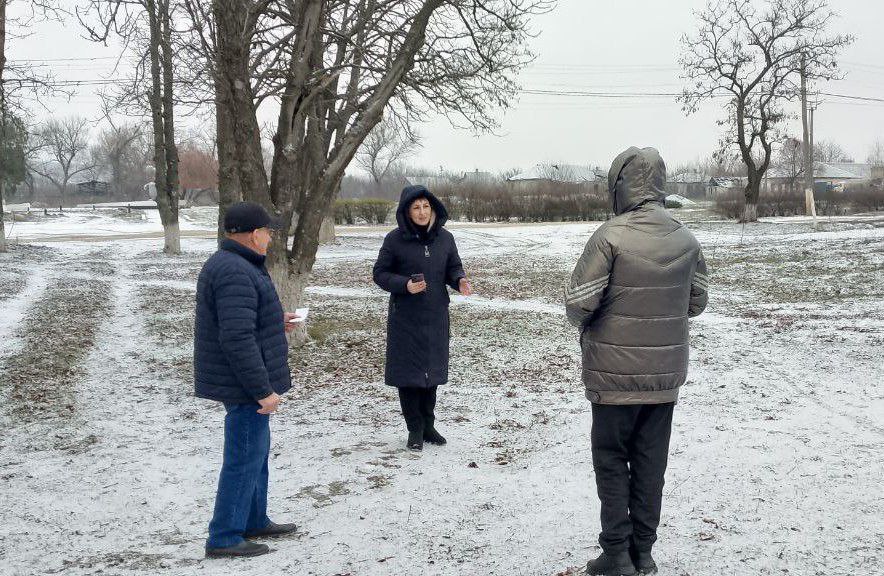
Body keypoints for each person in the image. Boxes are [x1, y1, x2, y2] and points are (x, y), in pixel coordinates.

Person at [564, 147, 708, 576]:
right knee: (651, 462)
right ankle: (643, 551)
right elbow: (697, 301)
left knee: (611, 460)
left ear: (619, 187)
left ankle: (616, 554)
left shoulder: (609, 236)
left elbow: (578, 303)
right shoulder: (686, 238)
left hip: (613, 377)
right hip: (663, 377)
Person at [194, 201, 300, 558]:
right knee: (243, 457)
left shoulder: (238, 264)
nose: (270, 238)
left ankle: (253, 518)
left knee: (255, 452)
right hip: (244, 384)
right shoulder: (235, 270)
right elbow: (235, 338)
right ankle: (224, 536)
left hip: (244, 380)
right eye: (268, 232)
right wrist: (262, 391)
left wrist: (275, 320)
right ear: (255, 234)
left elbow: (244, 322)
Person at [373, 185, 472, 451]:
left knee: (432, 374)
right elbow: (380, 274)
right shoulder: (394, 240)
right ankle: (414, 429)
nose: (421, 212)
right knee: (409, 376)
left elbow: (453, 266)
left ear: (433, 208)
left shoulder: (445, 238)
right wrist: (404, 284)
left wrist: (459, 280)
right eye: (416, 207)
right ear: (407, 211)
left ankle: (428, 425)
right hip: (405, 318)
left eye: (425, 206)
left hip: (436, 315)